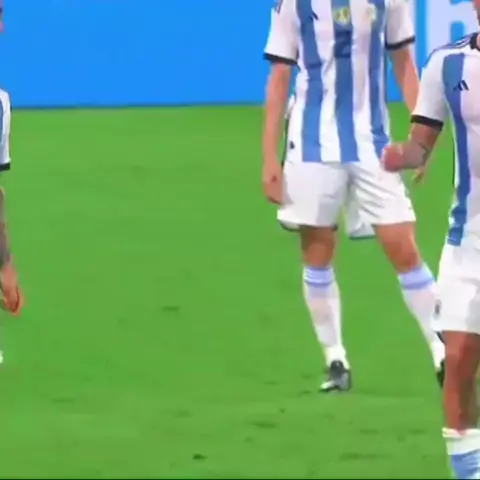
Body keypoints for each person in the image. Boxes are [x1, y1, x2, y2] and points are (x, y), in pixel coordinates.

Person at [262, 0, 445, 392]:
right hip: (311, 143)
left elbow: (403, 63)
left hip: (372, 142)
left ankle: (441, 351)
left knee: (403, 245)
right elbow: (279, 75)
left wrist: (420, 140)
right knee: (318, 251)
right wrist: (268, 157)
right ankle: (335, 359)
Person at [383, 10, 480, 477]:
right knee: (457, 360)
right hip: (469, 239)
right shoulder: (447, 64)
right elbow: (422, 141)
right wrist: (402, 155)